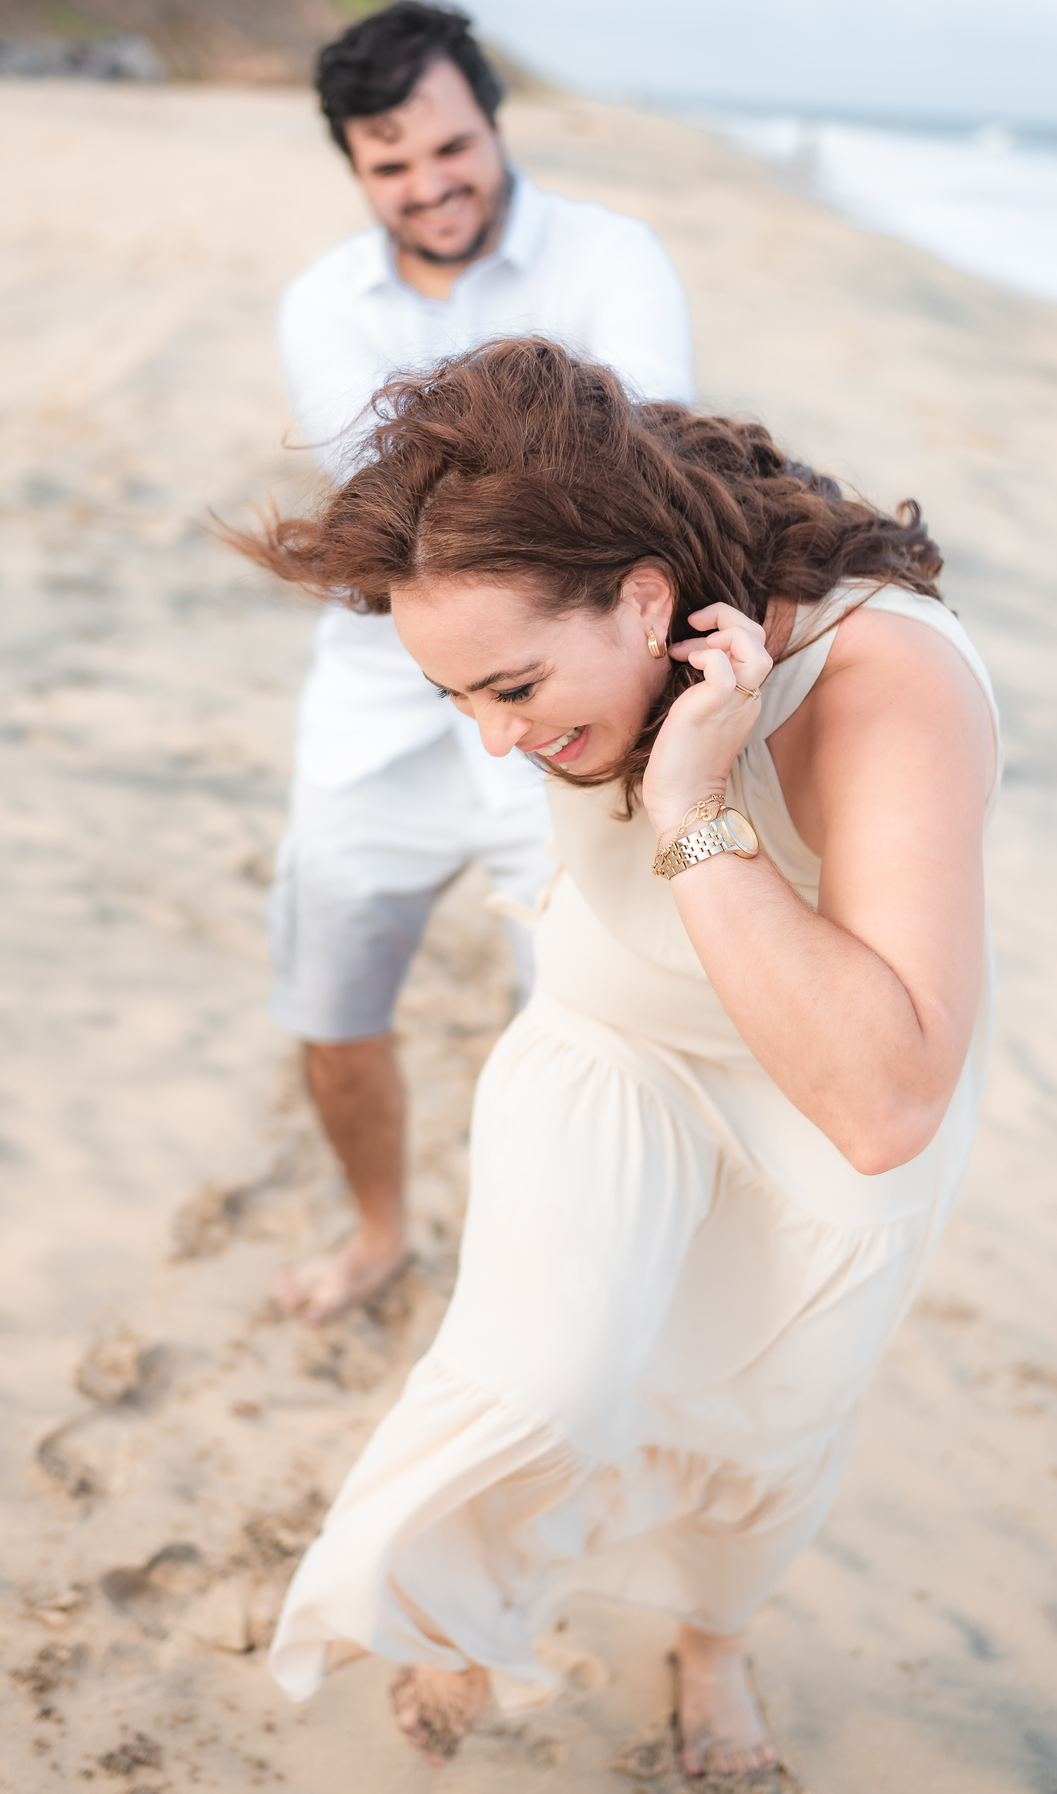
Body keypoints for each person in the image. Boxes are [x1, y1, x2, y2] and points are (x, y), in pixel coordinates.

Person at [233, 338, 1000, 1780]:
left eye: (512, 686)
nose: (500, 742)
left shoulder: (883, 680)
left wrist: (697, 794)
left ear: (648, 601)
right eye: (457, 699)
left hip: (824, 1103)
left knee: (767, 1420)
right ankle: (464, 1604)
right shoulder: (604, 587)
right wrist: (566, 717)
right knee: (545, 1373)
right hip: (614, 1043)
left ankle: (713, 1640)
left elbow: (889, 1101)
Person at [270, 2, 694, 1323]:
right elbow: (385, 528)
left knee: (579, 1037)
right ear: (356, 169)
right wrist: (543, 460)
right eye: (390, 165)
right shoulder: (322, 304)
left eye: (448, 146)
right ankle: (380, 1231)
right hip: (373, 720)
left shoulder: (614, 254)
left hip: (571, 720)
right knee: (331, 1006)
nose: (429, 183)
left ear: (490, 122)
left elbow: (640, 469)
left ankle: (537, 1288)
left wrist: (480, 484)